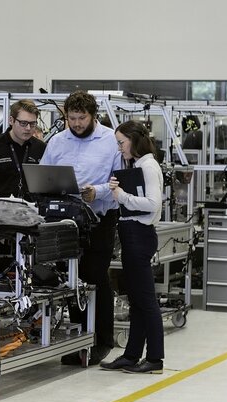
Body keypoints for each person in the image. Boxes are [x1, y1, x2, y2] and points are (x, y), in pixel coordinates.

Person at [41, 90, 119, 365]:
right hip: (66, 221)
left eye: (81, 118)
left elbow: (119, 180)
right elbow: (43, 174)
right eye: (71, 118)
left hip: (100, 218)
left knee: (95, 276)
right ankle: (78, 339)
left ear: (93, 115)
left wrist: (96, 192)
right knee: (72, 280)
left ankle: (102, 340)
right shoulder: (58, 142)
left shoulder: (111, 140)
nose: (76, 123)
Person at [101, 120, 164, 373]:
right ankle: (131, 355)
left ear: (134, 139)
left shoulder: (148, 166)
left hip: (139, 234)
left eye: (121, 143)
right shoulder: (137, 165)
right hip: (131, 233)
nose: (119, 148)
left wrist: (122, 197)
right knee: (137, 300)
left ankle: (155, 359)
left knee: (146, 301)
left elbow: (152, 204)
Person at [0, 99, 46, 199]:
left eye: (32, 124)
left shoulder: (41, 148)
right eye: (23, 123)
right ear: (11, 120)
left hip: (32, 210)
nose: (28, 128)